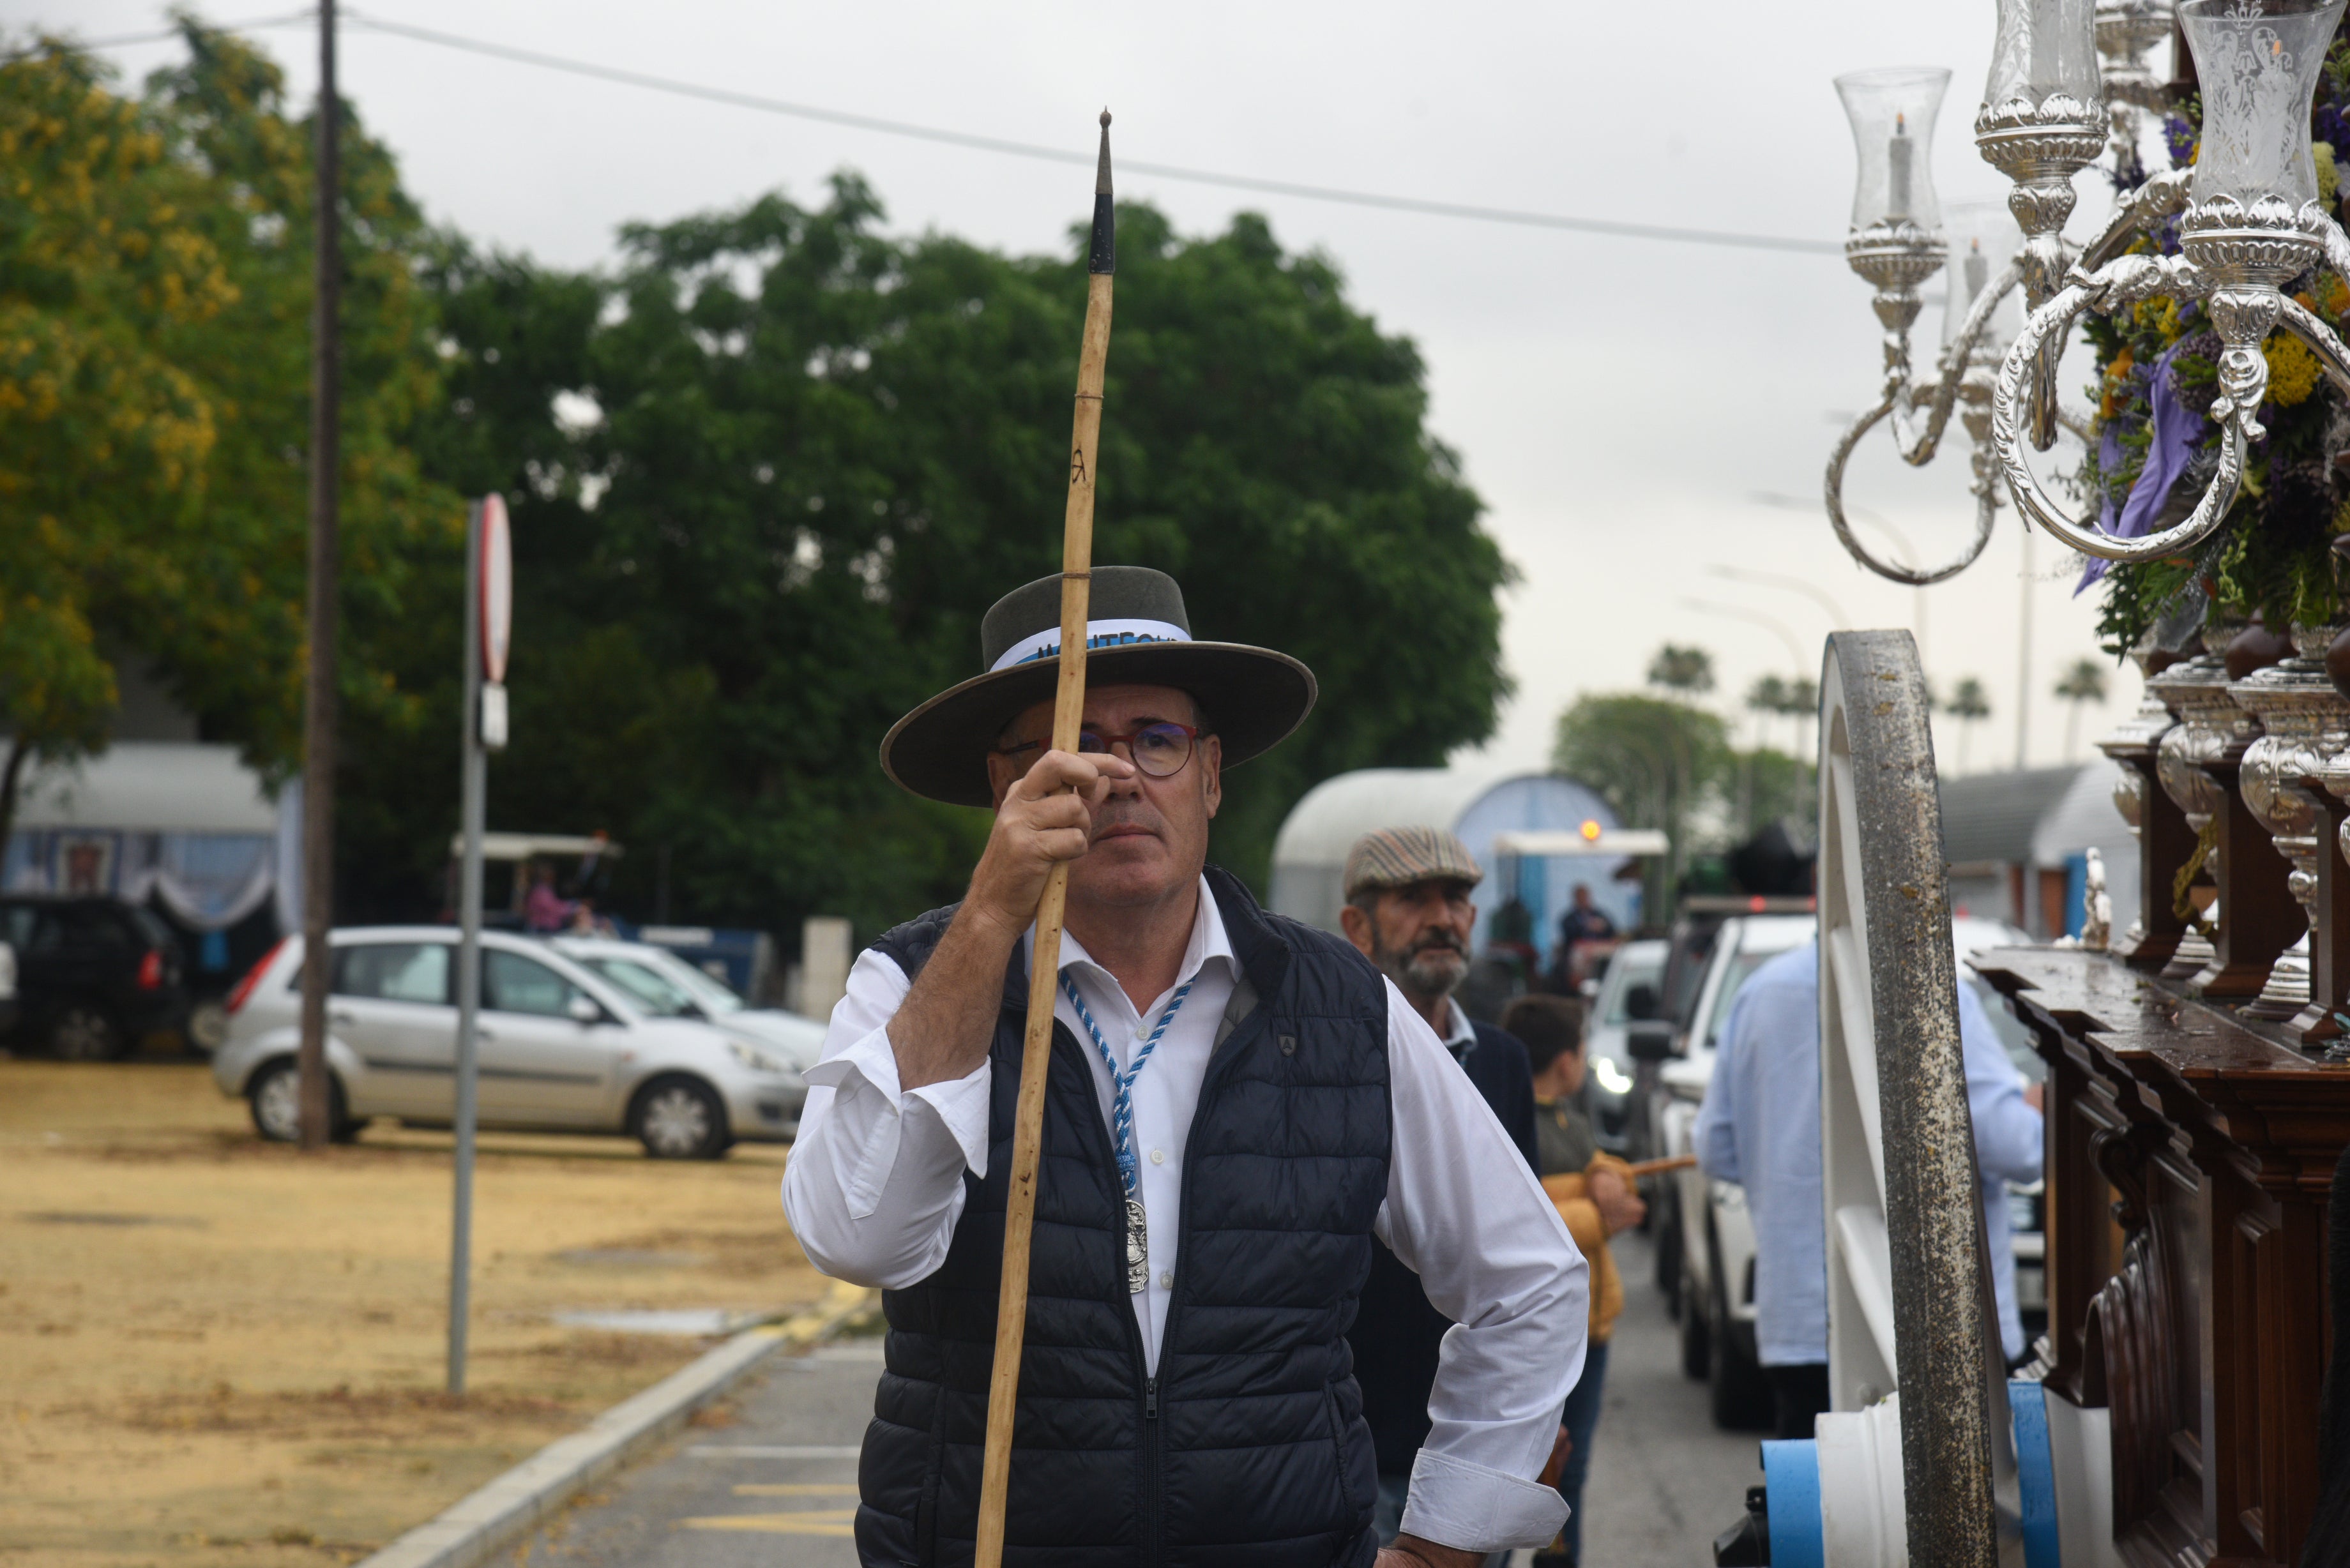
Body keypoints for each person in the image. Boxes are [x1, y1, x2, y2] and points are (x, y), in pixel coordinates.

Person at [782, 566, 1588, 1568]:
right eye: (1070, 746)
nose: (1117, 775)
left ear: (1209, 773)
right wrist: (993, 913)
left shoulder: (1338, 1002)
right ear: (1004, 788)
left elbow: (1532, 1283)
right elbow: (855, 1238)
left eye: (1155, 740)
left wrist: (1440, 1544)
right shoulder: (909, 984)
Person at [1690, 940, 2042, 1441]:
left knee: (1818, 1501)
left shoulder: (1760, 993)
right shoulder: (1938, 991)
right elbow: (2015, 1148)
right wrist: (2039, 1110)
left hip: (1800, 1320)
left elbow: (1716, 1148)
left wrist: (1791, 1180)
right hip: (1935, 1328)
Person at [1336, 827, 1540, 1548]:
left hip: (1469, 1443)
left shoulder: (1503, 1062)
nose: (1441, 918)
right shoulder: (1318, 1058)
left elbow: (1525, 1260)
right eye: (1412, 898)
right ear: (1355, 926)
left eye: (1455, 898)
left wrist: (1539, 1419)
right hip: (1350, 1441)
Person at [1503, 993, 1643, 1568]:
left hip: (1590, 1327)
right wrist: (1596, 1213)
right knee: (1519, 1473)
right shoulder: (1510, 1119)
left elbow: (1599, 1163)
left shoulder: (1569, 1120)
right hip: (1535, 1332)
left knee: (1571, 1468)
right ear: (1565, 1061)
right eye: (1582, 1050)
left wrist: (1607, 1175)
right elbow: (1519, 1217)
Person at [1547, 886, 1616, 993]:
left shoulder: (1599, 914)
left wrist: (1603, 927)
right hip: (1577, 954)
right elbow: (1568, 933)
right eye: (1580, 897)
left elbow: (1611, 930)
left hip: (1598, 952)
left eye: (1585, 897)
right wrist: (1585, 926)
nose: (1583, 900)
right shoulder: (1569, 918)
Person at [522, 863, 575, 933]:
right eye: (550, 874)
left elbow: (555, 903)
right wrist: (571, 908)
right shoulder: (540, 890)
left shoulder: (548, 889)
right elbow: (552, 908)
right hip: (542, 928)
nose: (553, 877)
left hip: (552, 928)